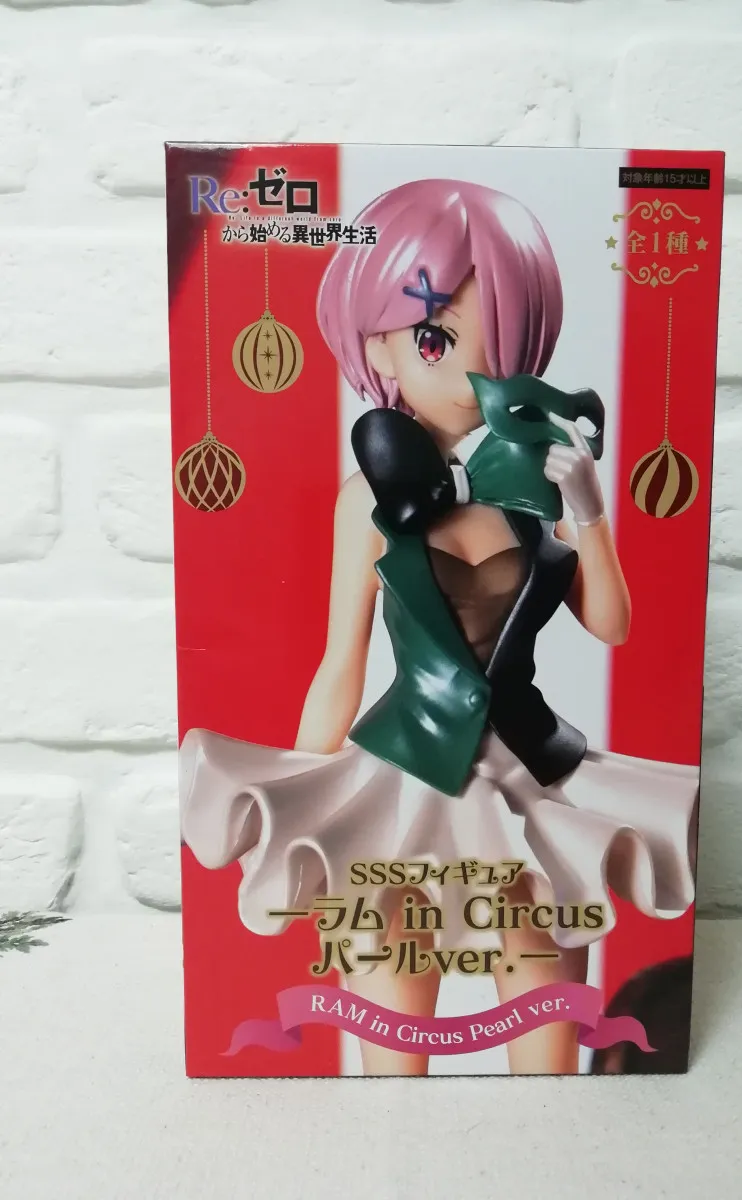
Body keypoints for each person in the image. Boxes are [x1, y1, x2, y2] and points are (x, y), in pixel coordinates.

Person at [181, 178, 698, 1076]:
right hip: (403, 781)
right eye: (435, 338)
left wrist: (587, 510)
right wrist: (303, 794)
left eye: (499, 346)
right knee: (392, 1046)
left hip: (529, 778)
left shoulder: (538, 495)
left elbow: (611, 626)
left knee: (548, 1041)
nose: (468, 373)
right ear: (377, 341)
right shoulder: (366, 503)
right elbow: (341, 663)